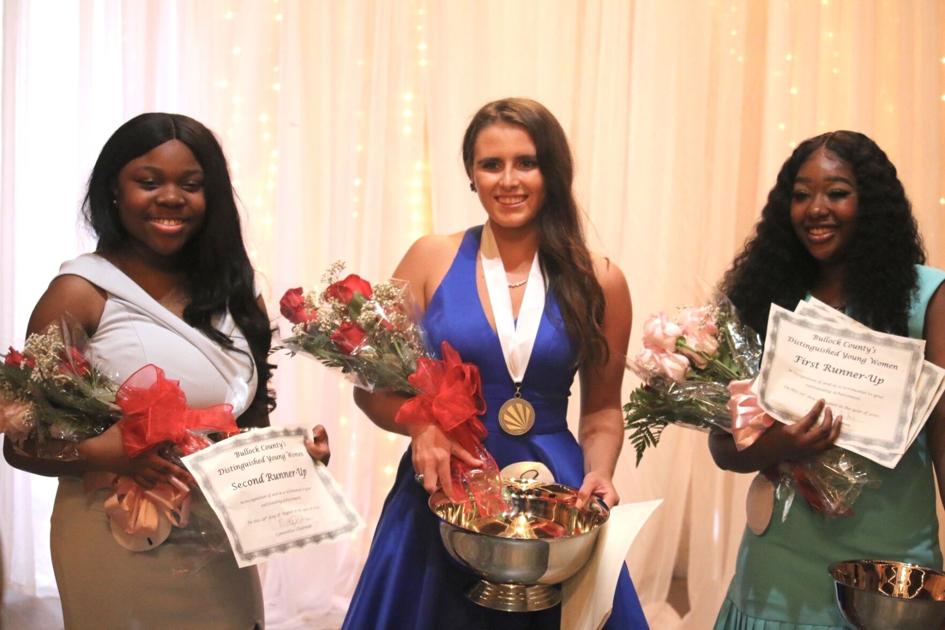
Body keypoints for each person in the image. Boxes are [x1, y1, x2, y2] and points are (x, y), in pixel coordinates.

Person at [2, 112, 330, 629]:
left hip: (219, 535)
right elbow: (21, 444)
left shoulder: (237, 295)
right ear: (114, 189)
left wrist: (289, 459)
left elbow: (247, 424)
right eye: (148, 182)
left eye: (191, 185)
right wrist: (111, 453)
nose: (171, 197)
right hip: (116, 534)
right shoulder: (80, 292)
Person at [343, 98, 648, 629]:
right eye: (491, 164)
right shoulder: (428, 257)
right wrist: (421, 422)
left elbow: (601, 412)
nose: (509, 180)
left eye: (526, 162)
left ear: (553, 171)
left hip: (557, 501)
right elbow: (369, 387)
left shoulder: (601, 280)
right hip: (444, 490)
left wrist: (600, 471)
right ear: (471, 174)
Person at [710, 130, 945, 628]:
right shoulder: (765, 298)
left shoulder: (927, 301)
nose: (816, 208)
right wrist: (780, 445)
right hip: (780, 568)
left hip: (892, 570)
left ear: (873, 204)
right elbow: (723, 448)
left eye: (837, 192)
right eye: (801, 195)